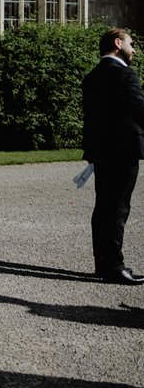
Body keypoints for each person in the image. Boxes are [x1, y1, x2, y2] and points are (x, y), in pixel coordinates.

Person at [82, 27, 144, 285]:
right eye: (131, 44)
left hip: (102, 152)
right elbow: (140, 111)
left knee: (104, 208)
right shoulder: (126, 75)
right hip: (125, 150)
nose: (134, 50)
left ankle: (103, 264)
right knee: (118, 210)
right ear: (118, 43)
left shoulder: (91, 77)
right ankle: (115, 267)